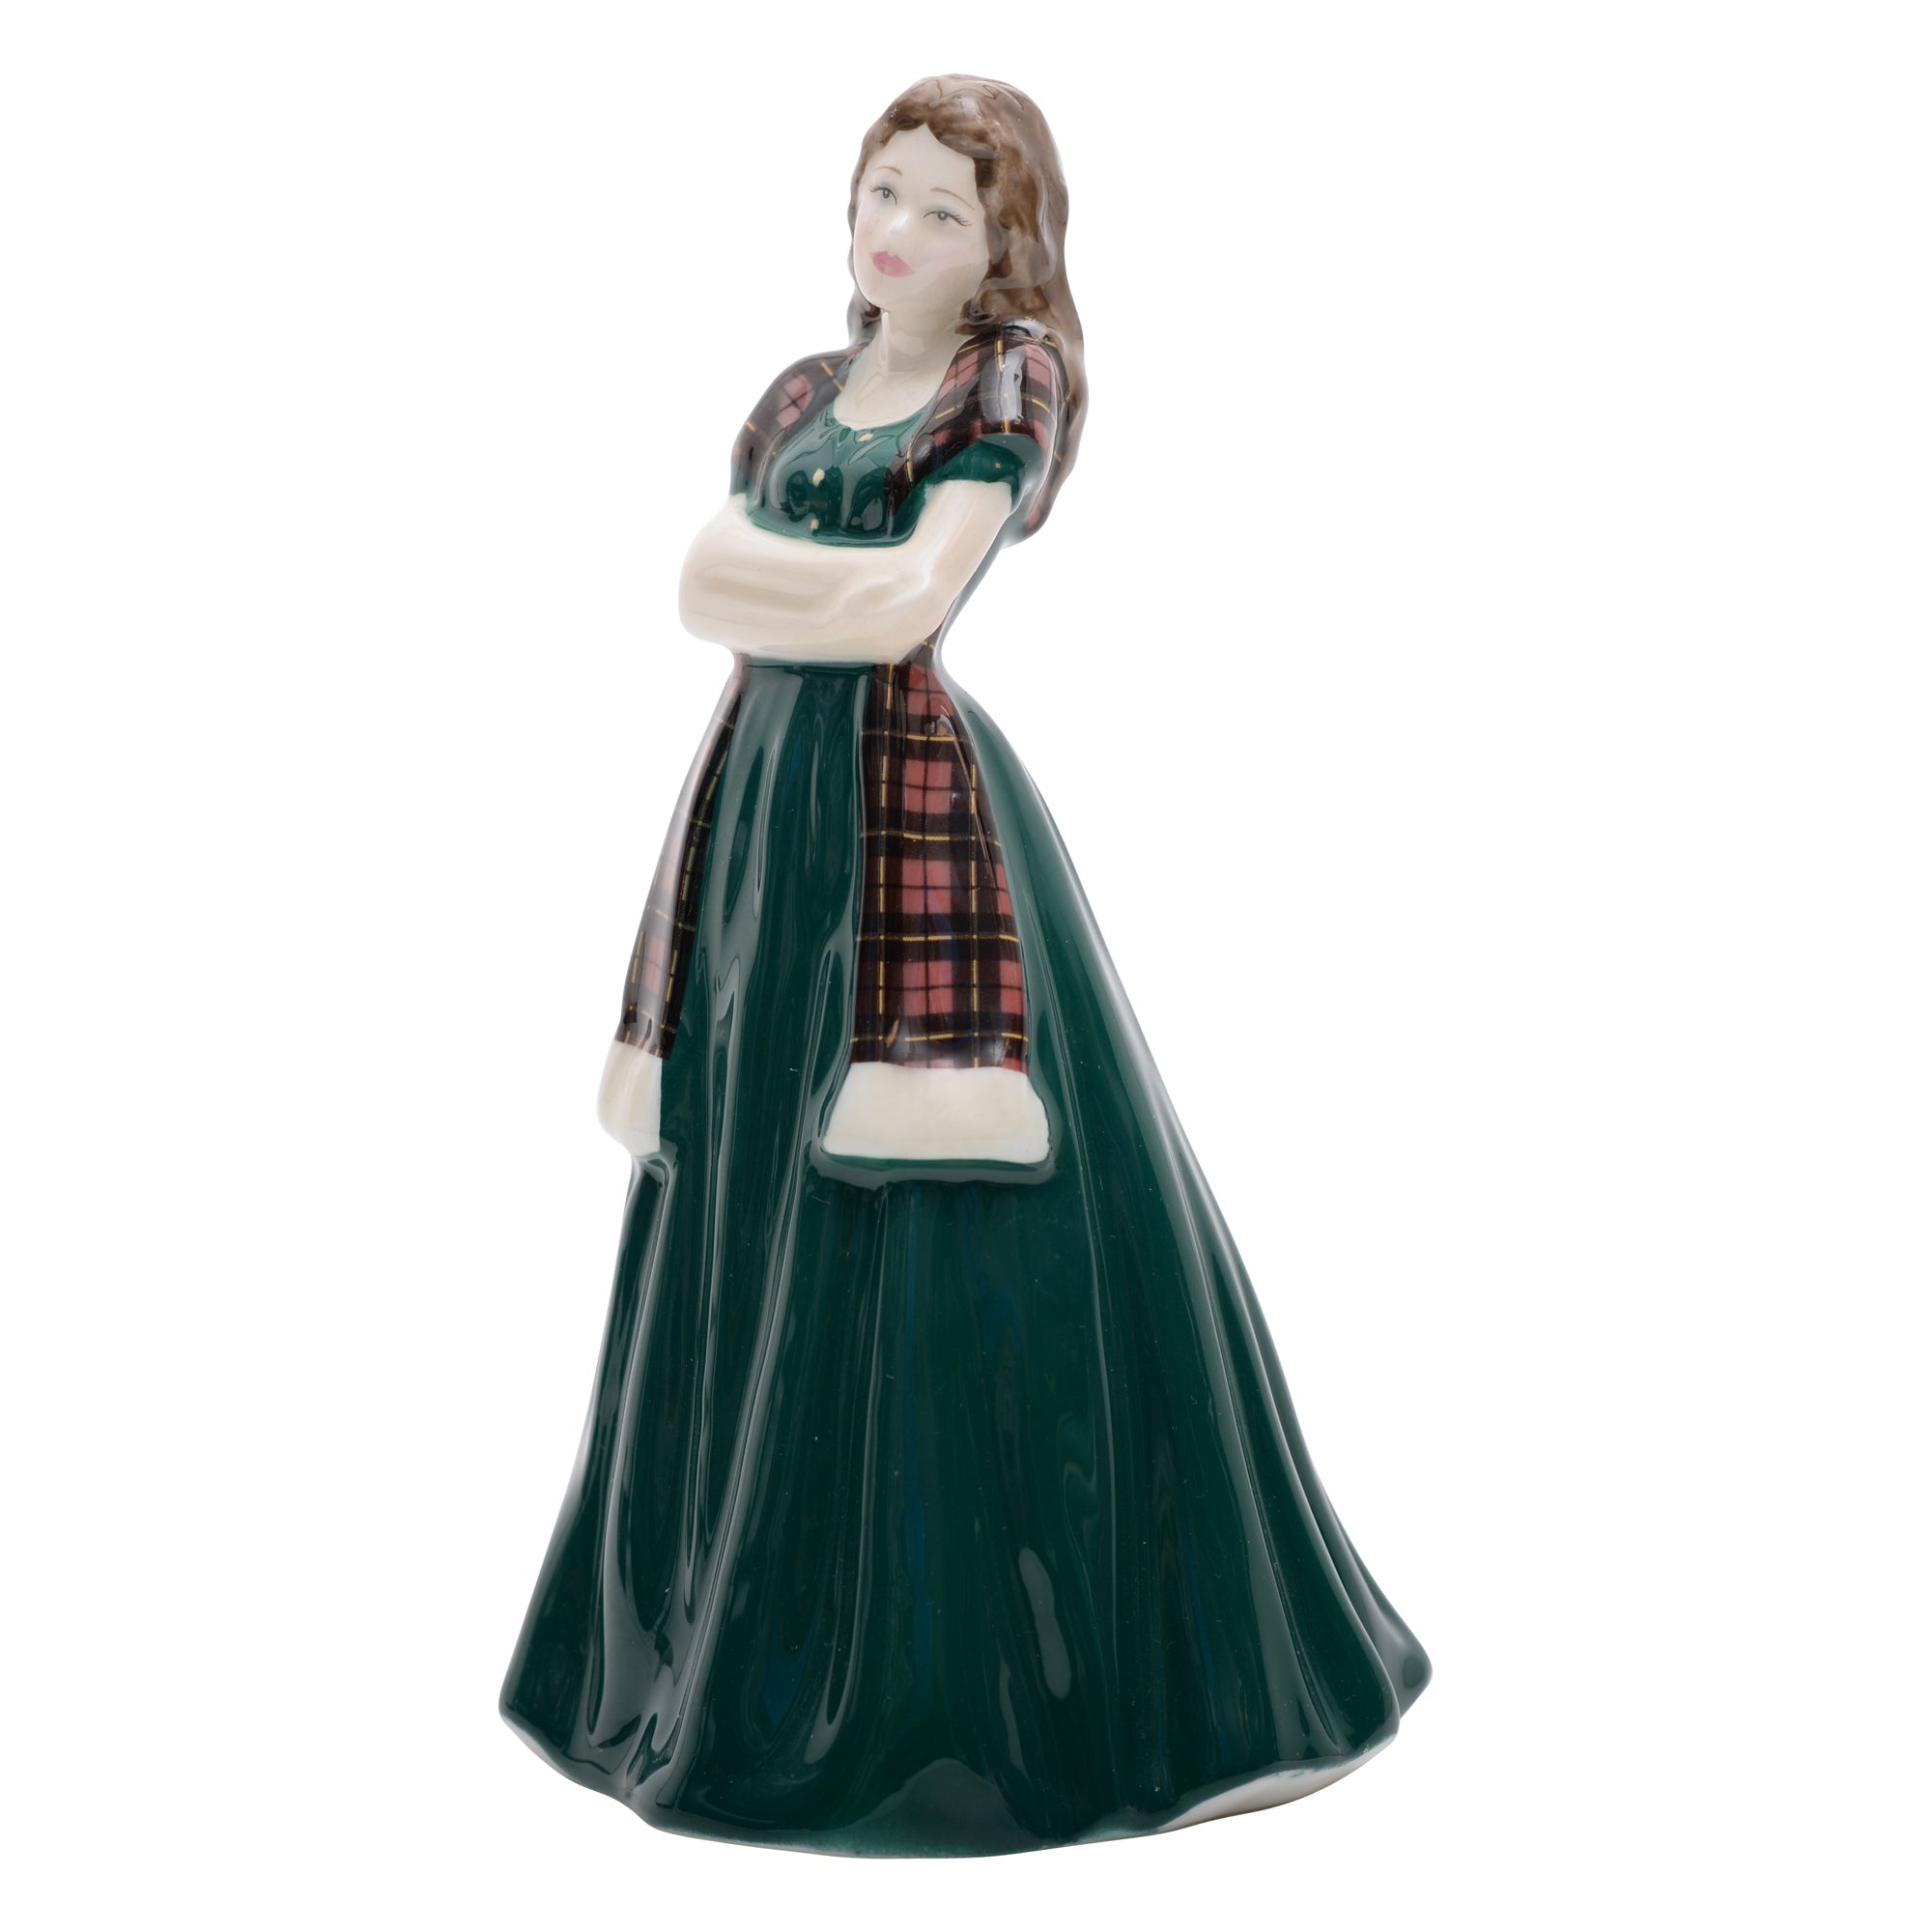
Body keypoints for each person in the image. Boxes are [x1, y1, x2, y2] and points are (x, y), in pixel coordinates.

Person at [501, 73, 1429, 1857]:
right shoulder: (802, 390)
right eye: (882, 191)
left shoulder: (1005, 389)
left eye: (941, 208)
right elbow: (700, 586)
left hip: (903, 826)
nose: (896, 231)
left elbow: (898, 603)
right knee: (742, 1179)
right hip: (764, 827)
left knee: (927, 1210)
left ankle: (967, 1681)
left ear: (1005, 243)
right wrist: (779, 591)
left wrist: (774, 584)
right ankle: (717, 1637)